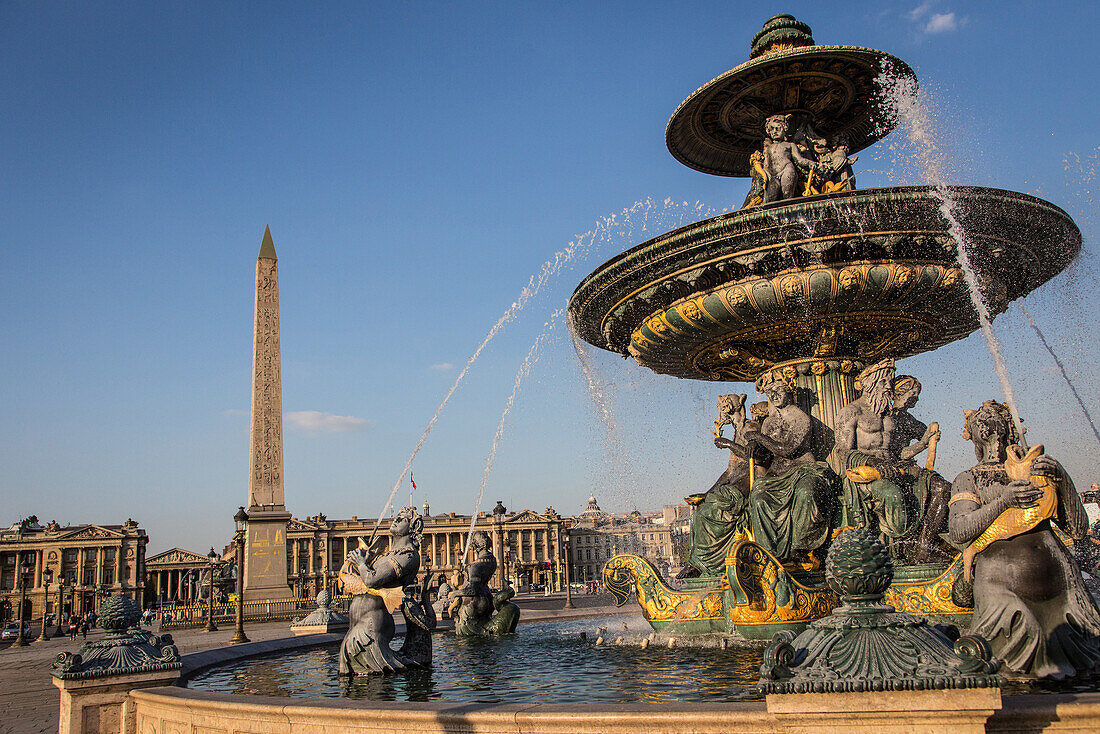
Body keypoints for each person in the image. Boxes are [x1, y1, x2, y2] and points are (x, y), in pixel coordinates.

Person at [948, 399, 1100, 678]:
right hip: (1001, 586)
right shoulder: (968, 478)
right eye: (986, 427)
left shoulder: (1037, 471)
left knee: (1083, 663)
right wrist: (1004, 501)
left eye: (998, 427)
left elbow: (1078, 530)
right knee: (1011, 665)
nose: (994, 436)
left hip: (1061, 584)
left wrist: (1063, 478)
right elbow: (959, 531)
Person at [743, 371, 836, 564]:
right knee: (758, 496)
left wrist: (758, 437)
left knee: (805, 492)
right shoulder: (768, 422)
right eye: (769, 392)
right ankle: (769, 554)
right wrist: (752, 447)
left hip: (804, 471)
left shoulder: (801, 419)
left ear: (789, 391)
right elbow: (767, 456)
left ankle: (801, 548)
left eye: (777, 390)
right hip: (778, 475)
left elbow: (786, 449)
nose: (773, 396)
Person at [835, 359, 918, 553]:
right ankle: (897, 549)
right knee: (893, 495)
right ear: (869, 384)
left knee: (933, 489)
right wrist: (870, 460)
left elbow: (901, 448)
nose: (888, 386)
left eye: (890, 381)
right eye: (883, 382)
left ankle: (919, 546)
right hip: (866, 474)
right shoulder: (851, 412)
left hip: (895, 468)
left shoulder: (889, 414)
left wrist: (924, 442)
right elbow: (842, 451)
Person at [337, 506, 424, 675]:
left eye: (403, 519)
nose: (396, 520)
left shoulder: (408, 555)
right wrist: (357, 561)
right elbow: (352, 579)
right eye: (397, 516)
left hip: (371, 626)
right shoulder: (387, 555)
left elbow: (371, 579)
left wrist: (362, 564)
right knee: (358, 687)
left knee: (372, 689)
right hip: (359, 624)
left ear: (414, 527)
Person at [762, 114, 817, 202]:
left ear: (784, 129)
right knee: (770, 199)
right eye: (772, 129)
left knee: (787, 194)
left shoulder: (790, 145)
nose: (774, 131)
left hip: (787, 169)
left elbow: (799, 160)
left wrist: (809, 163)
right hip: (773, 175)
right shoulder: (768, 148)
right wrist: (765, 176)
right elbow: (766, 164)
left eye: (778, 128)